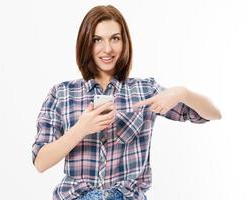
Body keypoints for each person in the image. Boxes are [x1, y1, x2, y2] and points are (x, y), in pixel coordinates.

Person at [32, 5, 221, 200]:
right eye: (97, 40)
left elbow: (213, 114)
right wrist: (81, 128)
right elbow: (40, 162)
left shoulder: (144, 90)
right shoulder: (62, 93)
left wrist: (182, 93)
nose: (107, 49)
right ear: (86, 43)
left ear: (124, 42)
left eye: (115, 38)